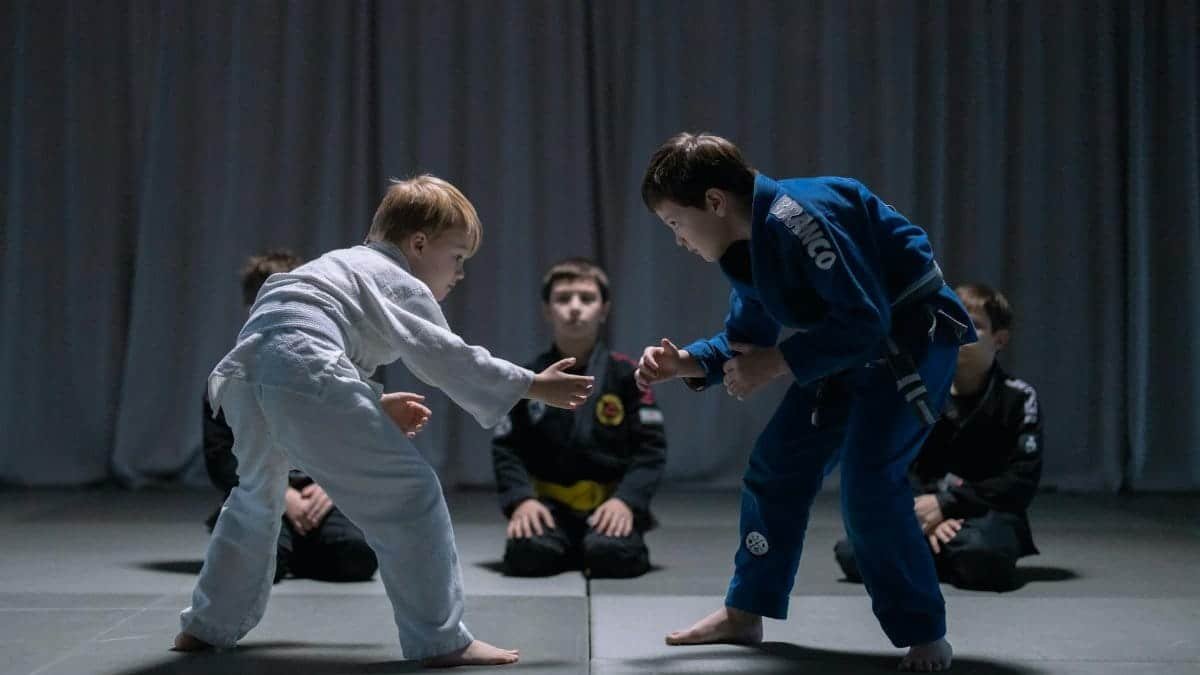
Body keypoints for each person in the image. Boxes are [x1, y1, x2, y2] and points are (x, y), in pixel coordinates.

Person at [174, 175, 594, 667]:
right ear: (417, 243)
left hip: (247, 374)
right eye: (456, 257)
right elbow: (444, 356)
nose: (459, 274)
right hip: (303, 370)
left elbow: (295, 343)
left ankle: (206, 625)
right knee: (411, 495)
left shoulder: (339, 265)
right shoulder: (397, 276)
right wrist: (531, 383)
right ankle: (441, 639)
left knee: (254, 499)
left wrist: (370, 399)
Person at [634, 133, 975, 672]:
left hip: (911, 340)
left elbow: (866, 322)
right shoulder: (745, 250)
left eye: (676, 223)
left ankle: (925, 632)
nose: (678, 240)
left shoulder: (799, 218)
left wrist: (775, 364)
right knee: (776, 467)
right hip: (837, 346)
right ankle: (746, 611)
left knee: (869, 485)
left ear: (715, 203)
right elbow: (747, 341)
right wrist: (686, 364)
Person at [835, 283, 1042, 591]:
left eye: (974, 326)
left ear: (1000, 339)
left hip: (984, 514)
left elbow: (1020, 479)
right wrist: (925, 512)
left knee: (982, 554)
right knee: (851, 552)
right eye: (950, 320)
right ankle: (936, 551)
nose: (959, 333)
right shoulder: (917, 391)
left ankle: (925, 556)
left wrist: (948, 505)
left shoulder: (1018, 398)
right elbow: (895, 463)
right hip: (919, 508)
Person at [202, 250, 378, 584]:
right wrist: (282, 494)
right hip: (259, 491)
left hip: (324, 496)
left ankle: (302, 543)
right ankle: (281, 542)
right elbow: (220, 457)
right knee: (263, 563)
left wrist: (334, 487)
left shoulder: (334, 369)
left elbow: (357, 439)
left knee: (355, 557)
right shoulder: (230, 377)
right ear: (250, 311)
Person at [493, 258, 666, 578]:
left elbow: (651, 450)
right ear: (547, 310)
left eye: (587, 299)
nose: (574, 307)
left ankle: (593, 543)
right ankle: (568, 543)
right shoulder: (527, 378)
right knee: (527, 556)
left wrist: (627, 502)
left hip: (608, 504)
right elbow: (506, 449)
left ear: (604, 310)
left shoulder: (627, 375)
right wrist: (522, 502)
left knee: (612, 556)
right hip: (550, 506)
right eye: (563, 298)